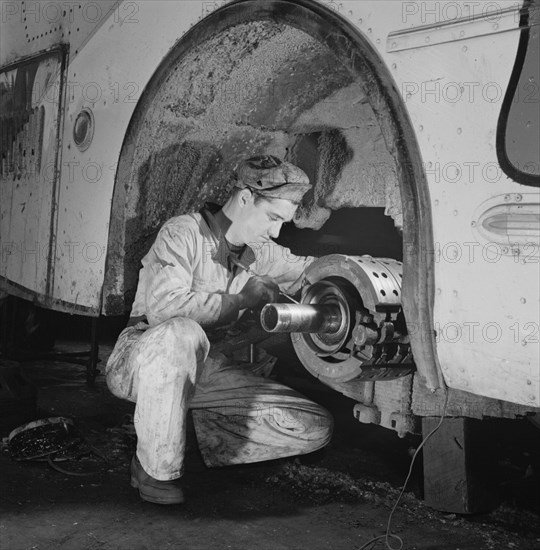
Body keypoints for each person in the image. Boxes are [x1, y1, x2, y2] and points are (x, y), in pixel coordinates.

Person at [105, 155, 333, 504]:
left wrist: (369, 272)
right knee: (183, 333)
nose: (275, 231)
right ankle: (153, 469)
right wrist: (241, 299)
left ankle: (182, 433)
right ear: (244, 199)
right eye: (273, 218)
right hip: (142, 358)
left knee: (314, 426)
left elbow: (310, 269)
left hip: (208, 370)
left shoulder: (259, 251)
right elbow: (166, 308)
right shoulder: (183, 232)